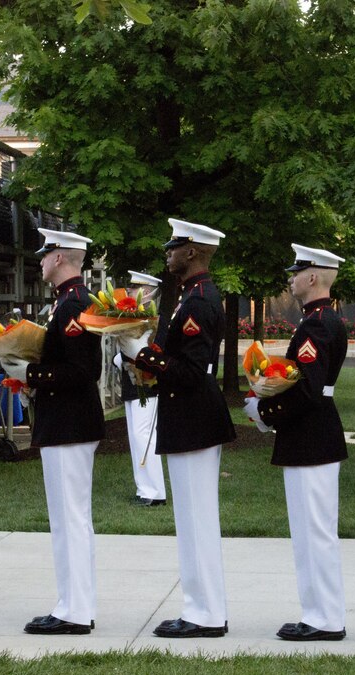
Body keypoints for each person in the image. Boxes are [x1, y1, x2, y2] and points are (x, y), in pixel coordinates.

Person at [124, 218, 236, 638]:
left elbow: (191, 371)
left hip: (195, 416)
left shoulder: (199, 301)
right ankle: (201, 608)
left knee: (197, 520)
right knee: (191, 520)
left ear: (192, 252)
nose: (167, 253)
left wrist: (142, 356)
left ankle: (205, 613)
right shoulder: (191, 297)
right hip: (190, 416)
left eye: (173, 247)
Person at [0, 229, 104, 635]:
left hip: (70, 421)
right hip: (65, 420)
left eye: (45, 255)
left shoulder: (75, 303)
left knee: (70, 519)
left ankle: (74, 610)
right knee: (67, 518)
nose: (40, 261)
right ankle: (73, 603)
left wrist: (30, 373)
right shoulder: (67, 302)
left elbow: (82, 371)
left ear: (60, 257)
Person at [244, 244, 349, 641]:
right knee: (308, 530)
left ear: (312, 277)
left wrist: (264, 412)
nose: (290, 278)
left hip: (312, 435)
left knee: (315, 530)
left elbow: (307, 388)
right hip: (312, 433)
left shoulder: (317, 325)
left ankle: (325, 618)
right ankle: (318, 613)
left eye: (296, 271)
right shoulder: (320, 321)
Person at [117, 270, 167, 506]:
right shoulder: (133, 317)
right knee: (135, 437)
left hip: (148, 385)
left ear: (147, 293)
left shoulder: (154, 319)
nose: (129, 292)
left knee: (144, 436)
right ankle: (143, 488)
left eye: (134, 288)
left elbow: (157, 352)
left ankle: (155, 492)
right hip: (132, 382)